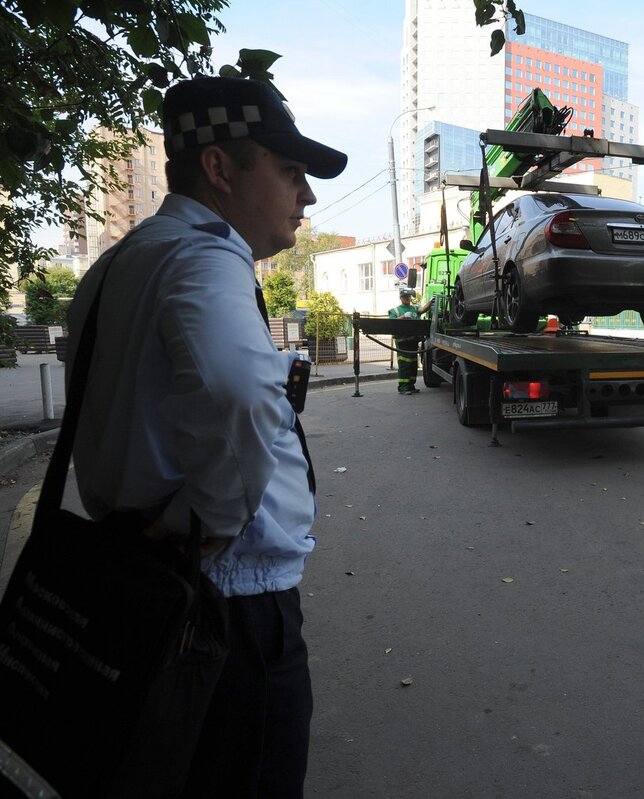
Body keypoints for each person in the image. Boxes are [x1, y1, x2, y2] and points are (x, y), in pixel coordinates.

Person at [66, 76, 347, 798]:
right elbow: (239, 389)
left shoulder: (118, 262)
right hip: (227, 608)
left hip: (138, 579)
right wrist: (213, 518)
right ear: (219, 168)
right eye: (288, 172)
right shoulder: (204, 255)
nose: (306, 196)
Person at [388, 286, 431, 395]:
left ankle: (411, 386)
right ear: (401, 298)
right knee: (404, 365)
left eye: (409, 297)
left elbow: (422, 310)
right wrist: (403, 317)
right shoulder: (395, 311)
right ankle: (403, 388)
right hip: (403, 343)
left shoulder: (414, 309)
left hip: (413, 342)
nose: (408, 298)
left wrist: (431, 302)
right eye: (405, 297)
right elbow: (392, 323)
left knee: (412, 365)